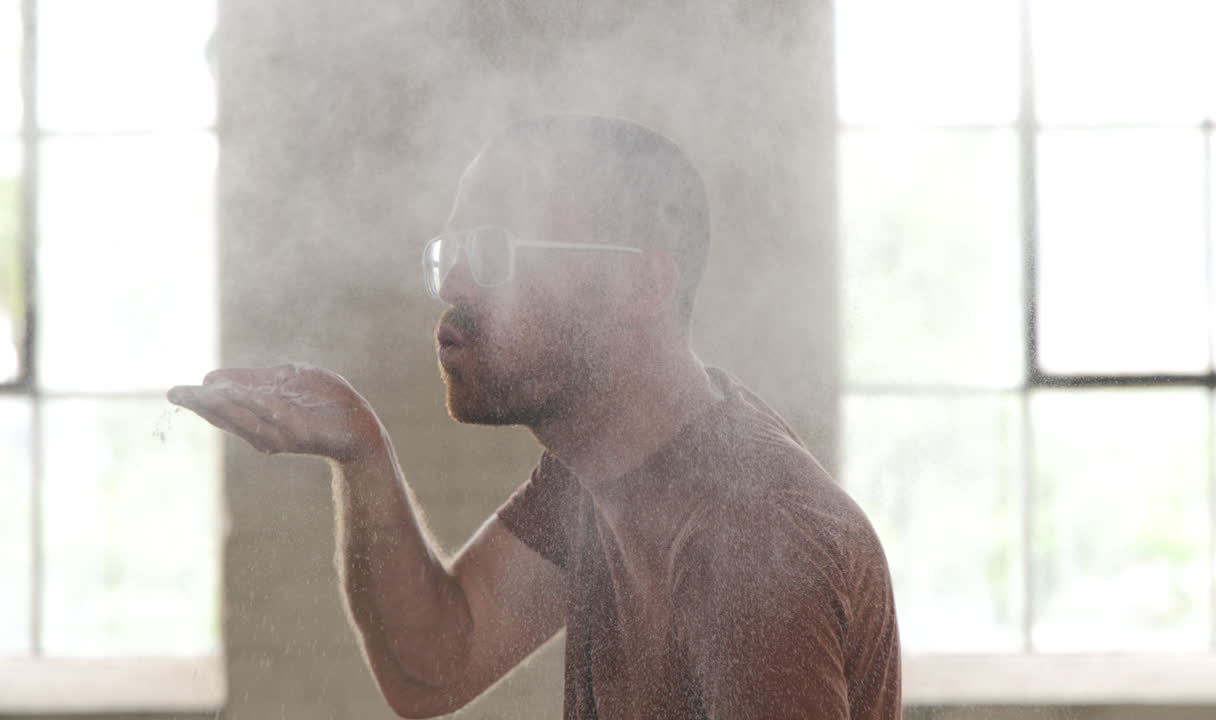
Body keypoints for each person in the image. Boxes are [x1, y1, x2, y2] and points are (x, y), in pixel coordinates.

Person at [169, 114, 901, 719]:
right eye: (450, 252)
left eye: (493, 251)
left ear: (639, 283)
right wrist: (362, 453)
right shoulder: (594, 472)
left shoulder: (750, 540)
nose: (451, 283)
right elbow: (436, 663)